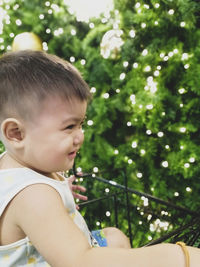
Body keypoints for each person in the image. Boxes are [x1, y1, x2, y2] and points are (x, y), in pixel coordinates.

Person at [0, 50, 199, 267]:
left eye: (81, 124)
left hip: (64, 249)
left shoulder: (19, 165)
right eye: (69, 126)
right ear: (16, 133)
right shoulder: (33, 196)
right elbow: (81, 261)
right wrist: (176, 257)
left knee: (114, 236)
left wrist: (61, 189)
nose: (80, 136)